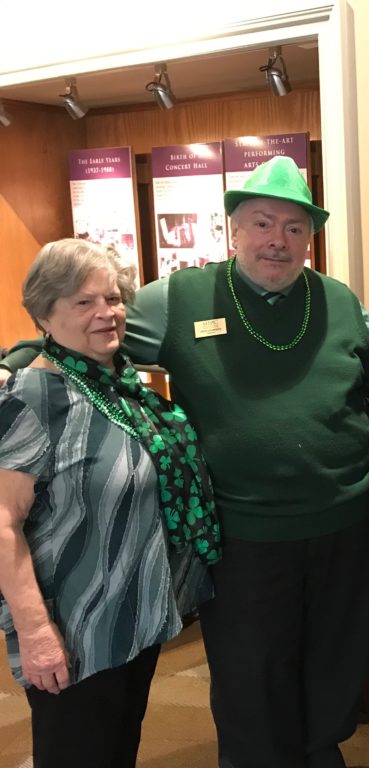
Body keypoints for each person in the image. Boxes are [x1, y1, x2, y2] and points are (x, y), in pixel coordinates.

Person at [0, 156, 369, 768]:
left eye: (293, 229)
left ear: (309, 238)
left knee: (334, 664)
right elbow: (93, 329)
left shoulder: (337, 300)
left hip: (342, 526)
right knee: (251, 679)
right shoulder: (182, 296)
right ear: (233, 228)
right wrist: (19, 360)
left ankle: (319, 754)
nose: (277, 241)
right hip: (242, 537)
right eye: (262, 223)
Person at [0, 239, 218, 767]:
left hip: (133, 621)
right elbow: (4, 524)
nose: (106, 314)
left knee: (117, 749)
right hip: (74, 630)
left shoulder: (122, 386)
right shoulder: (32, 398)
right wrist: (36, 633)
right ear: (44, 315)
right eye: (83, 302)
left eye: (114, 299)